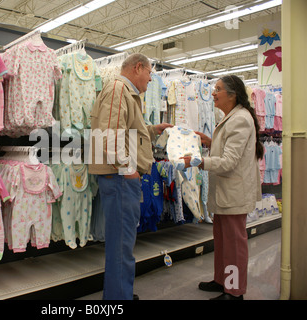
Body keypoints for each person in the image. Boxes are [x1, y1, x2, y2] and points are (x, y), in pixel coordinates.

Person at [88, 53, 172, 300]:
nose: (150, 80)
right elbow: (110, 134)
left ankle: (119, 294)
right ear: (138, 67)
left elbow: (126, 131)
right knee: (122, 246)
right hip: (120, 178)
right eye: (149, 74)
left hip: (120, 178)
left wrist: (153, 130)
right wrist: (128, 170)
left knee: (122, 244)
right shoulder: (118, 89)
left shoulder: (123, 92)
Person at [181, 75, 263, 300]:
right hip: (225, 193)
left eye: (217, 89)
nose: (213, 93)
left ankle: (234, 291)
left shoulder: (240, 119)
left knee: (234, 244)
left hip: (234, 194)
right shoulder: (230, 117)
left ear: (232, 94)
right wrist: (209, 141)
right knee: (222, 240)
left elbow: (229, 162)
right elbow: (226, 148)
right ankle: (222, 280)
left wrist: (197, 161)